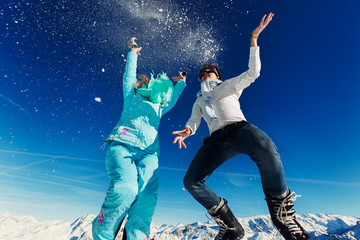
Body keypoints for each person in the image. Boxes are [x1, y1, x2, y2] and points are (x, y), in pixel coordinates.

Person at [173, 13, 311, 240]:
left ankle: (283, 216)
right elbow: (194, 120)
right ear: (200, 77)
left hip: (240, 130)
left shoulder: (228, 85)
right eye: (204, 70)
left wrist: (254, 38)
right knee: (191, 181)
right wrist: (188, 131)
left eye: (211, 69)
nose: (207, 70)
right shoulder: (199, 99)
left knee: (265, 145)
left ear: (217, 75)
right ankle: (231, 227)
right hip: (216, 141)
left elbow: (253, 73)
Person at [92, 38, 186, 240]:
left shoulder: (160, 107)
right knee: (126, 188)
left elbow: (173, 100)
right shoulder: (132, 95)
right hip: (122, 145)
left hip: (149, 153)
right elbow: (128, 77)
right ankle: (103, 233)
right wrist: (133, 53)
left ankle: (135, 235)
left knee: (147, 194)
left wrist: (181, 83)